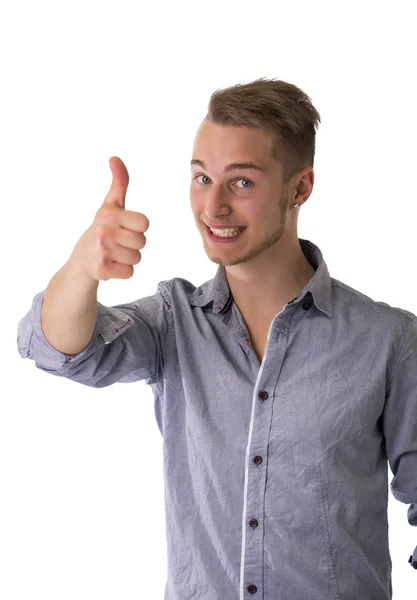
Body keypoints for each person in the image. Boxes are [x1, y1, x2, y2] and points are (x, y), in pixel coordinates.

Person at [17, 78, 417, 599]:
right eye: (202, 178)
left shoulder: (388, 339)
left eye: (242, 182)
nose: (213, 207)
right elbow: (59, 350)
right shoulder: (173, 320)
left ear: (300, 188)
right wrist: (82, 266)